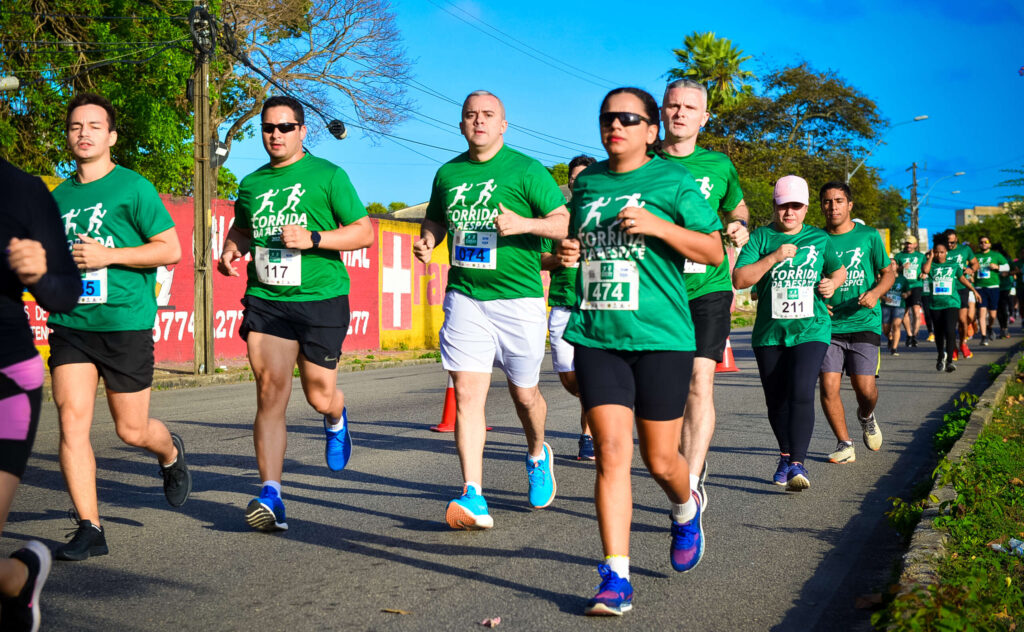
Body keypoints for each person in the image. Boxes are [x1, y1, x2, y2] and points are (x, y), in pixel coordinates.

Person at [557, 87, 723, 616]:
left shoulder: (674, 182)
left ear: (652, 130)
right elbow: (580, 246)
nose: (616, 125)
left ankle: (686, 505)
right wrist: (567, 252)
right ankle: (615, 576)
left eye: (629, 118)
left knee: (661, 460)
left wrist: (659, 226)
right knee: (610, 452)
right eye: (608, 117)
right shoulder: (588, 186)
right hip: (597, 335)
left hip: (661, 339)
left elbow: (713, 249)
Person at [414, 90, 569, 530]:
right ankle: (473, 493)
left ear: (503, 124)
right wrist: (429, 240)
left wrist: (524, 224)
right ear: (461, 124)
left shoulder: (526, 169)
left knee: (524, 395)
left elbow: (563, 221)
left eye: (488, 115)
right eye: (470, 115)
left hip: (518, 299)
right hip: (465, 296)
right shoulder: (448, 172)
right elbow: (437, 218)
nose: (478, 121)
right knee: (466, 394)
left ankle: (538, 452)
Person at [218, 95, 374, 532]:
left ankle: (335, 415)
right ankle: (272, 494)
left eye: (285, 127)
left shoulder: (328, 176)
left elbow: (364, 233)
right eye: (268, 127)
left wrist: (315, 238)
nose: (275, 135)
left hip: (321, 297)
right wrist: (232, 251)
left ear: (303, 131)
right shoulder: (251, 183)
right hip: (268, 299)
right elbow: (243, 229)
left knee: (318, 394)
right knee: (270, 390)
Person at [49, 93, 191, 561]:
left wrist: (110, 255)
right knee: (71, 424)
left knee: (131, 430)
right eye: (75, 126)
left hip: (125, 322)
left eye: (93, 125)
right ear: (68, 136)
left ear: (111, 136)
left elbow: (169, 249)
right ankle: (91, 527)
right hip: (72, 322)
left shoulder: (134, 188)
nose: (83, 133)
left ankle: (169, 452)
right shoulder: (58, 197)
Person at [659, 79, 749, 508]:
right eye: (673, 105)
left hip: (708, 287)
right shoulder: (642, 162)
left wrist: (740, 225)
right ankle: (683, 459)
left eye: (689, 107)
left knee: (700, 380)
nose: (680, 113)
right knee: (665, 389)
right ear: (661, 111)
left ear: (704, 117)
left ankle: (690, 484)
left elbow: (738, 207)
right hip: (657, 290)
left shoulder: (719, 165)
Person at [0, 158, 81, 630]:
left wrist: (39, 276)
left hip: (5, 377)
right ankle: (16, 578)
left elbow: (66, 292)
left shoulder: (21, 189)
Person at [733, 175, 846, 490]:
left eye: (796, 206)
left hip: (812, 329)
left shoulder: (820, 239)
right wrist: (773, 257)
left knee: (801, 391)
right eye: (783, 206)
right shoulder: (761, 237)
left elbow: (838, 270)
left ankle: (798, 463)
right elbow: (740, 279)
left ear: (806, 208)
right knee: (776, 401)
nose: (789, 213)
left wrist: (832, 284)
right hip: (770, 334)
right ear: (775, 206)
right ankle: (785, 454)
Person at [816, 182, 893, 465]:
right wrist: (816, 299)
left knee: (865, 389)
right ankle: (844, 443)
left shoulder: (869, 236)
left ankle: (866, 416)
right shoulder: (816, 239)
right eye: (827, 201)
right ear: (821, 205)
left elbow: (888, 273)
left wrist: (874, 292)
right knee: (828, 386)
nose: (832, 206)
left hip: (863, 323)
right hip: (828, 325)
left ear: (850, 205)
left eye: (838, 201)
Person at [540, 155, 596, 461]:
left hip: (599, 305)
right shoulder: (558, 217)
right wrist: (559, 257)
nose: (580, 183)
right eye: (574, 179)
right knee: (569, 377)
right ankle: (601, 401)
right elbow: (540, 260)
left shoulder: (607, 212)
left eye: (586, 178)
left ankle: (589, 434)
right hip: (563, 300)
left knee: (593, 375)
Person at [922, 237, 980, 371]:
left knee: (950, 330)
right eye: (936, 252)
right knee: (939, 332)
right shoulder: (930, 265)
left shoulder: (953, 264)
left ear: (946, 253)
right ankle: (940, 355)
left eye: (942, 252)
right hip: (935, 304)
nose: (939, 254)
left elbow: (962, 278)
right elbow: (925, 271)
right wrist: (930, 258)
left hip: (952, 302)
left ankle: (949, 361)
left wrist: (974, 290)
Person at [945, 229, 979, 358]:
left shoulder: (965, 250)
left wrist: (971, 269)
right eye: (948, 242)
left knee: (962, 319)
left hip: (962, 287)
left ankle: (963, 343)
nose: (950, 245)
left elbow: (976, 263)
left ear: (957, 239)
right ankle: (953, 346)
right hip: (947, 289)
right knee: (950, 322)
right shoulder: (941, 250)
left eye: (953, 242)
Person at [974, 236, 1008, 345]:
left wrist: (997, 267)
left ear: (989, 244)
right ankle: (983, 337)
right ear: (979, 244)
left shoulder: (996, 255)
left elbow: (1007, 267)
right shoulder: (976, 256)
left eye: (986, 242)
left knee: (993, 314)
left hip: (993, 287)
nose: (983, 244)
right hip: (979, 287)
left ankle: (990, 327)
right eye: (981, 242)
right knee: (981, 313)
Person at [893, 235, 926, 347]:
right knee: (904, 312)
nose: (908, 245)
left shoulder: (920, 256)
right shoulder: (899, 256)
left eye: (911, 243)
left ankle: (915, 336)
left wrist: (924, 274)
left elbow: (926, 269)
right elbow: (893, 268)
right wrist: (901, 268)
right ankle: (909, 335)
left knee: (916, 310)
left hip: (916, 284)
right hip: (903, 285)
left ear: (915, 245)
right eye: (907, 243)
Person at [882, 266, 909, 355]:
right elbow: (877, 291)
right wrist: (884, 297)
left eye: (893, 263)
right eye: (889, 263)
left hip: (899, 305)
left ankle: (894, 348)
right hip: (886, 305)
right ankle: (890, 338)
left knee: (896, 325)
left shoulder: (902, 279)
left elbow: (908, 291)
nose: (891, 265)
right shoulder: (884, 277)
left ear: (897, 266)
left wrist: (906, 294)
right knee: (886, 330)